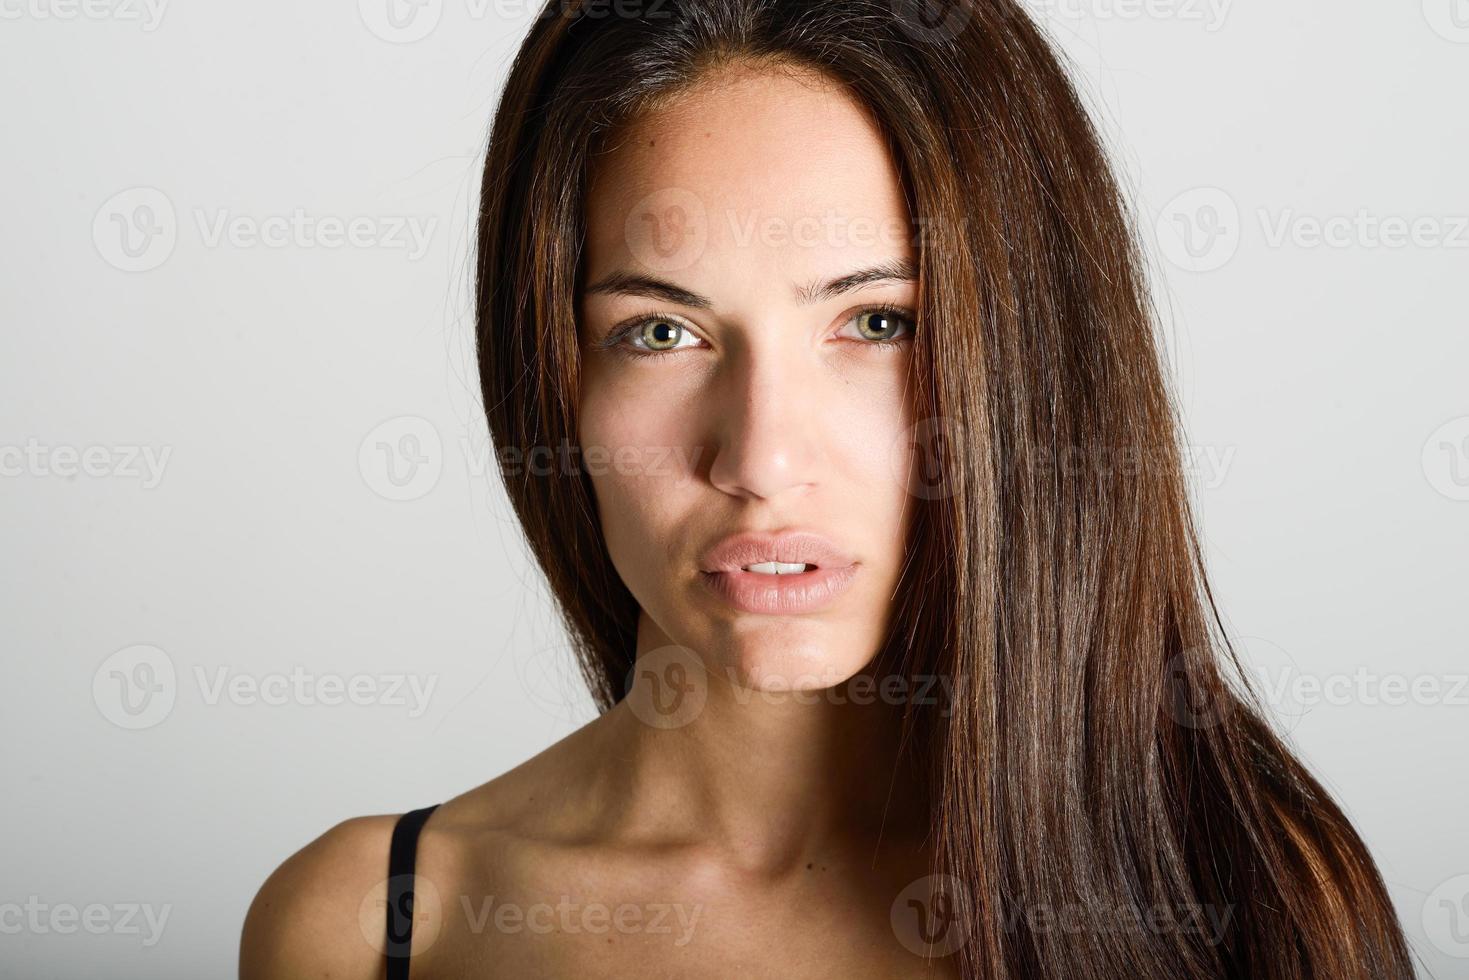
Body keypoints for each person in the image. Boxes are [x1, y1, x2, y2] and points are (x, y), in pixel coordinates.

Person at [241, 2, 1416, 977]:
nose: (758, 459)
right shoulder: (371, 927)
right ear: (549, 382)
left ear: (1028, 361)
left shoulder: (1245, 897)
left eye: (873, 321)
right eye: (659, 329)